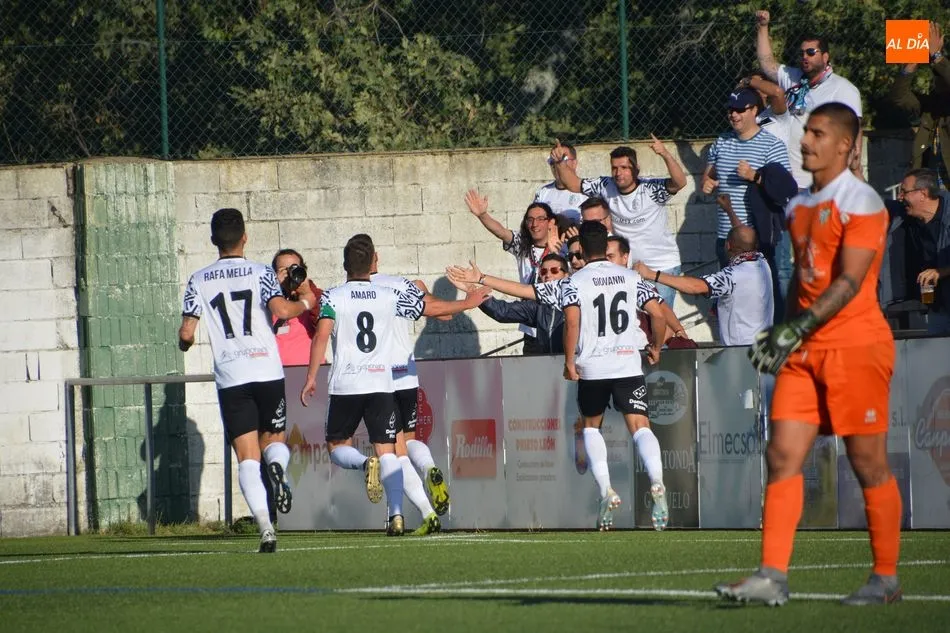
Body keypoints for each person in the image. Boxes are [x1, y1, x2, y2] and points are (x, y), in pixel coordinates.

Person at [716, 103, 902, 606]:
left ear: (845, 144)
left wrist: (791, 329)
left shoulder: (862, 201)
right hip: (804, 350)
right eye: (806, 133)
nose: (805, 142)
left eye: (817, 133)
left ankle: (885, 578)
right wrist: (784, 333)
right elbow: (804, 277)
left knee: (867, 464)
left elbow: (848, 281)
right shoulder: (798, 205)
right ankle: (771, 576)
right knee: (782, 455)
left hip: (855, 346)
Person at [446, 221, 671, 532]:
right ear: (605, 247)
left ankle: (606, 489)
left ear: (582, 250)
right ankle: (657, 481)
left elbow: (542, 300)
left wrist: (569, 362)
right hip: (627, 365)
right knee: (640, 426)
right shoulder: (632, 278)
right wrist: (656, 347)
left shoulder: (574, 282)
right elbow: (658, 314)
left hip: (593, 367)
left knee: (591, 428)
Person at [301, 234, 488, 536]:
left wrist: (310, 377)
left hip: (348, 384)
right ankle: (402, 511)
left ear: (345, 263)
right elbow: (431, 310)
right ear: (375, 258)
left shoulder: (334, 296)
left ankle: (379, 478)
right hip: (387, 381)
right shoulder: (393, 292)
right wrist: (469, 301)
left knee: (342, 446)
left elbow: (321, 336)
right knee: (393, 450)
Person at [178, 208, 317, 553]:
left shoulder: (198, 279)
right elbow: (283, 311)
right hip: (267, 371)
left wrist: (185, 341)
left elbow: (186, 333)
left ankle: (267, 530)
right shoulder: (260, 272)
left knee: (246, 457)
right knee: (274, 441)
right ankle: (278, 468)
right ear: (245, 237)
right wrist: (304, 302)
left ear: (213, 240)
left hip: (232, 377)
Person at [550, 139, 687, 307]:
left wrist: (665, 154)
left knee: (662, 321)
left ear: (636, 170)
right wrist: (560, 161)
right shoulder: (606, 186)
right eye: (614, 168)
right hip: (626, 269)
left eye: (624, 168)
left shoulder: (651, 189)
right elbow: (573, 184)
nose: (618, 173)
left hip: (660, 266)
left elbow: (680, 182)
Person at [370, 262, 451, 535]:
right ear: (376, 259)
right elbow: (444, 316)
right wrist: (425, 291)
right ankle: (429, 468)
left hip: (378, 378)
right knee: (411, 438)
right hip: (407, 374)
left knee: (392, 452)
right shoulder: (404, 284)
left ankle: (426, 513)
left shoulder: (350, 292)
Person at [635, 225, 773, 346]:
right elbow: (746, 239)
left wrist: (652, 274)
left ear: (728, 245)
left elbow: (696, 286)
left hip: (741, 352)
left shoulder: (733, 276)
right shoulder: (763, 264)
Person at [702, 88, 790, 267]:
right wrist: (707, 183)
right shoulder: (721, 142)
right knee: (729, 293)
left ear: (754, 110)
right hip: (726, 238)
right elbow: (708, 176)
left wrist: (755, 176)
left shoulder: (772, 145)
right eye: (730, 110)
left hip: (756, 238)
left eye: (740, 110)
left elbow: (785, 191)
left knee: (764, 293)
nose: (733, 115)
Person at [464, 192, 558, 354]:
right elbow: (501, 232)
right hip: (531, 327)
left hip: (557, 325)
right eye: (530, 219)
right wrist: (483, 215)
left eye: (540, 219)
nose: (534, 224)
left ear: (551, 222)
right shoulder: (523, 245)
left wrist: (557, 249)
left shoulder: (563, 247)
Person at [887, 21, 948, 187]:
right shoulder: (932, 106)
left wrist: (936, 56)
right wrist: (909, 66)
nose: (938, 77)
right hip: (931, 190)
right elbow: (898, 98)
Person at [607, 235, 694, 347]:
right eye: (604, 257)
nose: (606, 261)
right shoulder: (594, 283)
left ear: (625, 258)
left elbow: (662, 314)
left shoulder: (636, 283)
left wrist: (656, 347)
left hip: (636, 353)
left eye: (610, 256)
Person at [892, 168, 950, 335]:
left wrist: (941, 272)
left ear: (923, 194)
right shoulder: (906, 217)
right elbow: (870, 204)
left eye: (904, 191)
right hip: (935, 310)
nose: (899, 196)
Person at [271, 248, 323, 366]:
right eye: (284, 270)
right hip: (277, 373)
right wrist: (275, 288)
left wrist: (306, 293)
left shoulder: (316, 295)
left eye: (294, 269)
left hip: (310, 371)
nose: (290, 275)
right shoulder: (270, 298)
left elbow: (323, 325)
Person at [534, 141, 588, 223]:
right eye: (552, 161)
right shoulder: (543, 193)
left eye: (562, 159)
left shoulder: (586, 191)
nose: (556, 165)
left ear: (574, 163)